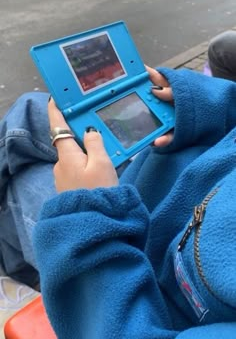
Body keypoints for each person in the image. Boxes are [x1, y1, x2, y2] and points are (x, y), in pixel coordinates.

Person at [1, 65, 236, 338]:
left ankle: (36, 281)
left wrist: (87, 219)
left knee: (21, 188)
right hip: (155, 182)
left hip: (127, 283)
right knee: (28, 110)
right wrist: (204, 105)